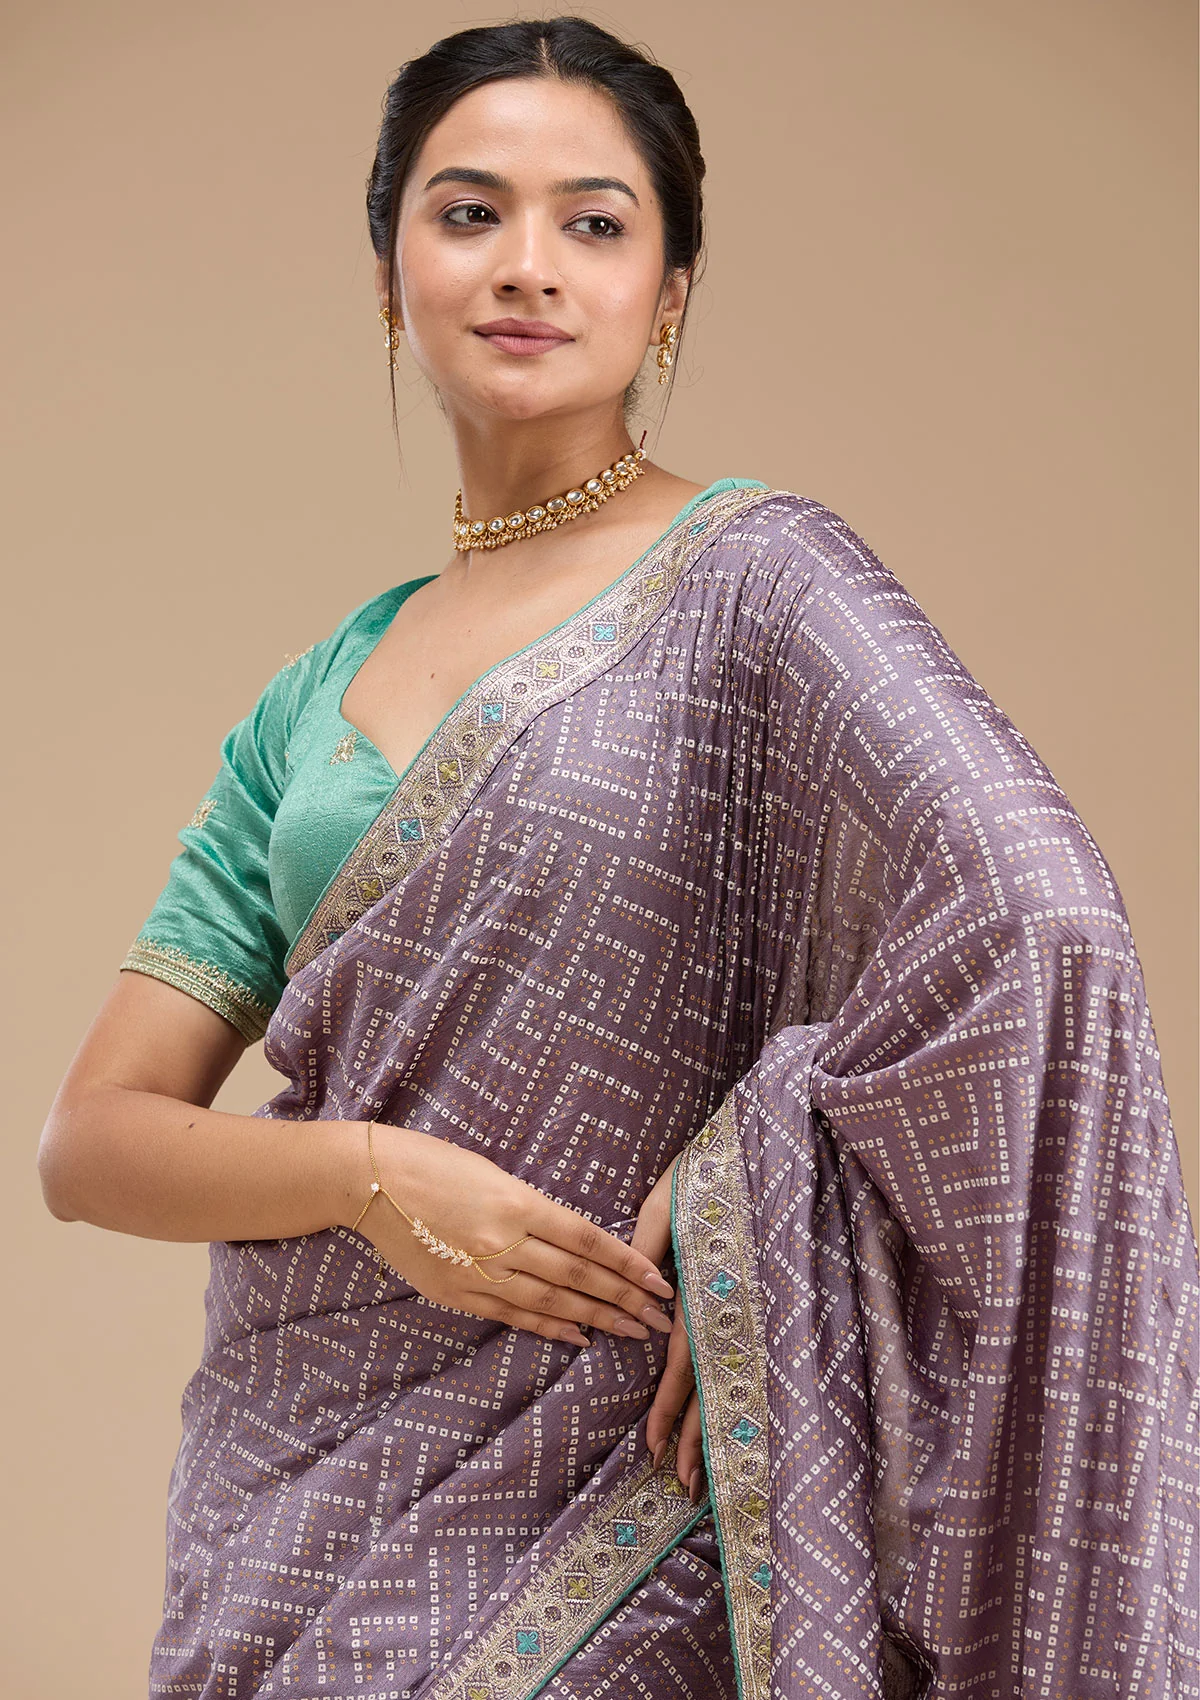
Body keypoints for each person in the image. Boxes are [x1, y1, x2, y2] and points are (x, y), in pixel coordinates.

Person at [37, 16, 1197, 1700]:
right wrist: (376, 1179)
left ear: (669, 292)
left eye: (594, 222)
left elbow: (1043, 927)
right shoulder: (313, 698)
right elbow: (92, 1142)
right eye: (468, 213)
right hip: (292, 1486)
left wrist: (756, 1173)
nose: (528, 265)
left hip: (619, 1479)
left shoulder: (765, 586)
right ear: (389, 277)